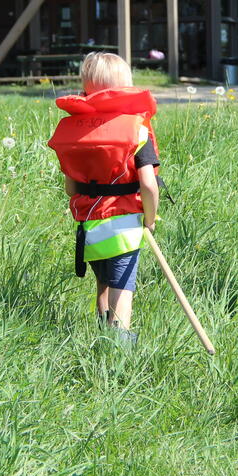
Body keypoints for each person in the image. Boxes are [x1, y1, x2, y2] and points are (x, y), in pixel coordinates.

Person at [47, 53, 160, 343]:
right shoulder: (137, 129)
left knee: (103, 284)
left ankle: (102, 333)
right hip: (124, 227)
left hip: (90, 227)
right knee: (122, 291)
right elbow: (148, 184)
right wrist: (149, 218)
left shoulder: (75, 133)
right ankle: (118, 346)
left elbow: (71, 189)